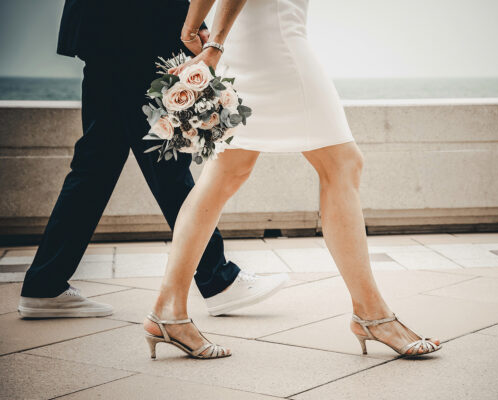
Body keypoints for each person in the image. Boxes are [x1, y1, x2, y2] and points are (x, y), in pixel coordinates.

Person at [143, 0, 441, 359]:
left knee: (227, 172)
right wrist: (214, 41)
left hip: (248, 37)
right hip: (275, 40)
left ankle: (169, 311)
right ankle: (372, 314)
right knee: (342, 165)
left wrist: (196, 28)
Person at [17, 0, 287, 319]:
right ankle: (217, 278)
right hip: (135, 27)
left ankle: (45, 282)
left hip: (103, 26)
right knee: (163, 158)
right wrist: (187, 22)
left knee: (97, 162)